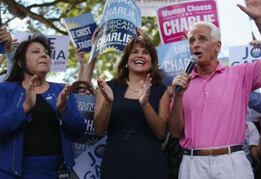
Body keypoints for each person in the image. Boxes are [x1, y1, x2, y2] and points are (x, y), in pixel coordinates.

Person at [169, 0, 261, 179]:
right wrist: (178, 96)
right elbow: (174, 131)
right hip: (193, 164)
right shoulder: (182, 83)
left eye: (202, 39)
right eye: (191, 40)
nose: (195, 44)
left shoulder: (239, 75)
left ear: (217, 46)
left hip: (232, 163)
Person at [0, 34, 86, 178]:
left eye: (46, 53)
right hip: (12, 173)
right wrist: (25, 108)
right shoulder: (5, 90)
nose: (43, 55)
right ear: (20, 63)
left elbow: (79, 131)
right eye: (36, 51)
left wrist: (64, 110)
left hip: (55, 173)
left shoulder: (62, 90)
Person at [94, 34, 170, 179]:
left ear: (152, 61)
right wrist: (109, 103)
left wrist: (145, 104)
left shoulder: (161, 90)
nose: (140, 55)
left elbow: (161, 133)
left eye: (145, 52)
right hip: (115, 165)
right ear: (126, 60)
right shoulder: (108, 88)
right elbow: (99, 130)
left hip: (151, 167)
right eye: (134, 52)